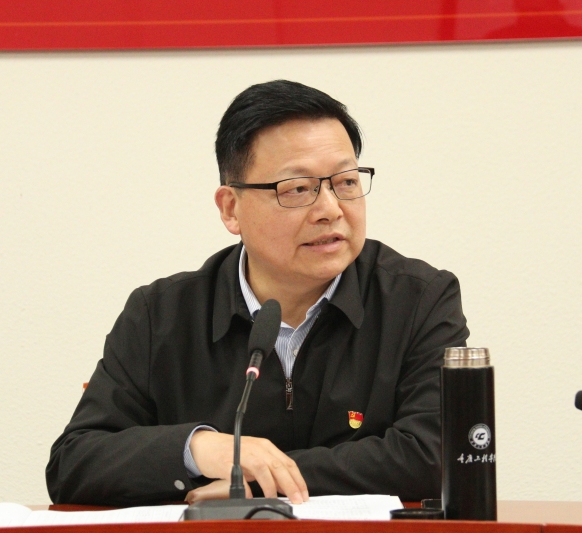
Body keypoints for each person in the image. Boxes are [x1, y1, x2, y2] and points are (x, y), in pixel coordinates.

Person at [46, 80, 470, 506]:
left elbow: (438, 454)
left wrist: (259, 480)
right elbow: (74, 463)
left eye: (345, 182)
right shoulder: (161, 316)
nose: (330, 209)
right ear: (231, 208)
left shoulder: (419, 301)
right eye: (298, 189)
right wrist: (199, 448)